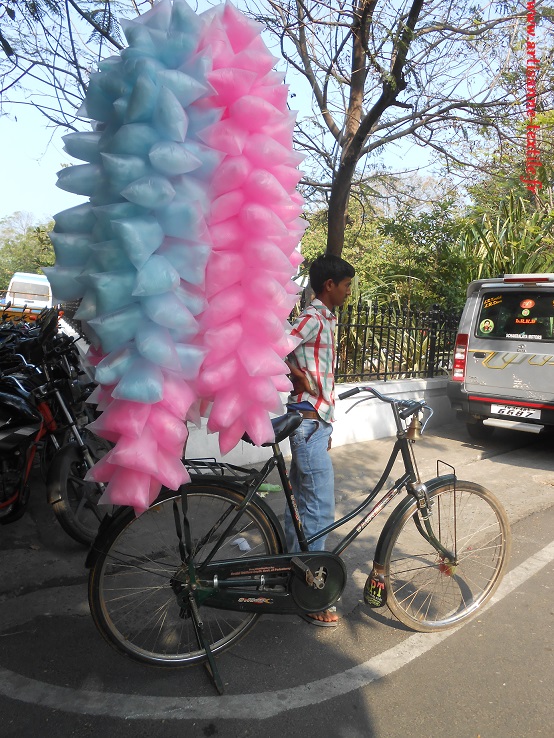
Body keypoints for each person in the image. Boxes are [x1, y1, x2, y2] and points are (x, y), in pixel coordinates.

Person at [284, 253, 355, 626]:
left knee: (298, 505)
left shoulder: (327, 319)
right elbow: (271, 350)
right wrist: (295, 374)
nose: (347, 292)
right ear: (329, 285)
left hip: (315, 424)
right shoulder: (312, 318)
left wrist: (326, 425)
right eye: (345, 286)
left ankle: (289, 572)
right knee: (319, 511)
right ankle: (311, 595)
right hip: (307, 423)